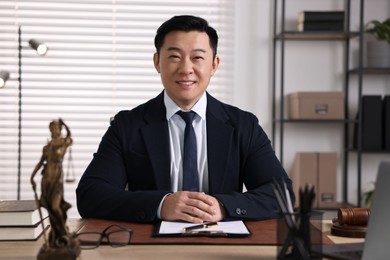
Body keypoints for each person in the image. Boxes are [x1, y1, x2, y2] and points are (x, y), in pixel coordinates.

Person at [76, 15, 294, 224]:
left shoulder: (243, 125)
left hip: (224, 243)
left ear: (214, 65)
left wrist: (224, 206)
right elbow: (90, 195)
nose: (186, 69)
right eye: (174, 57)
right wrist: (161, 204)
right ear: (157, 62)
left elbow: (282, 194)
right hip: (150, 246)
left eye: (197, 57)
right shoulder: (127, 125)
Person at [31, 119, 73, 248]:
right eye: (52, 128)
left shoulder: (63, 143)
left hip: (57, 180)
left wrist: (65, 124)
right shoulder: (47, 147)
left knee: (56, 207)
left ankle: (64, 231)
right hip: (46, 181)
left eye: (56, 128)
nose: (54, 130)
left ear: (59, 130)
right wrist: (32, 177)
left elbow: (70, 136)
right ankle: (55, 235)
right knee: (49, 209)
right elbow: (40, 163)